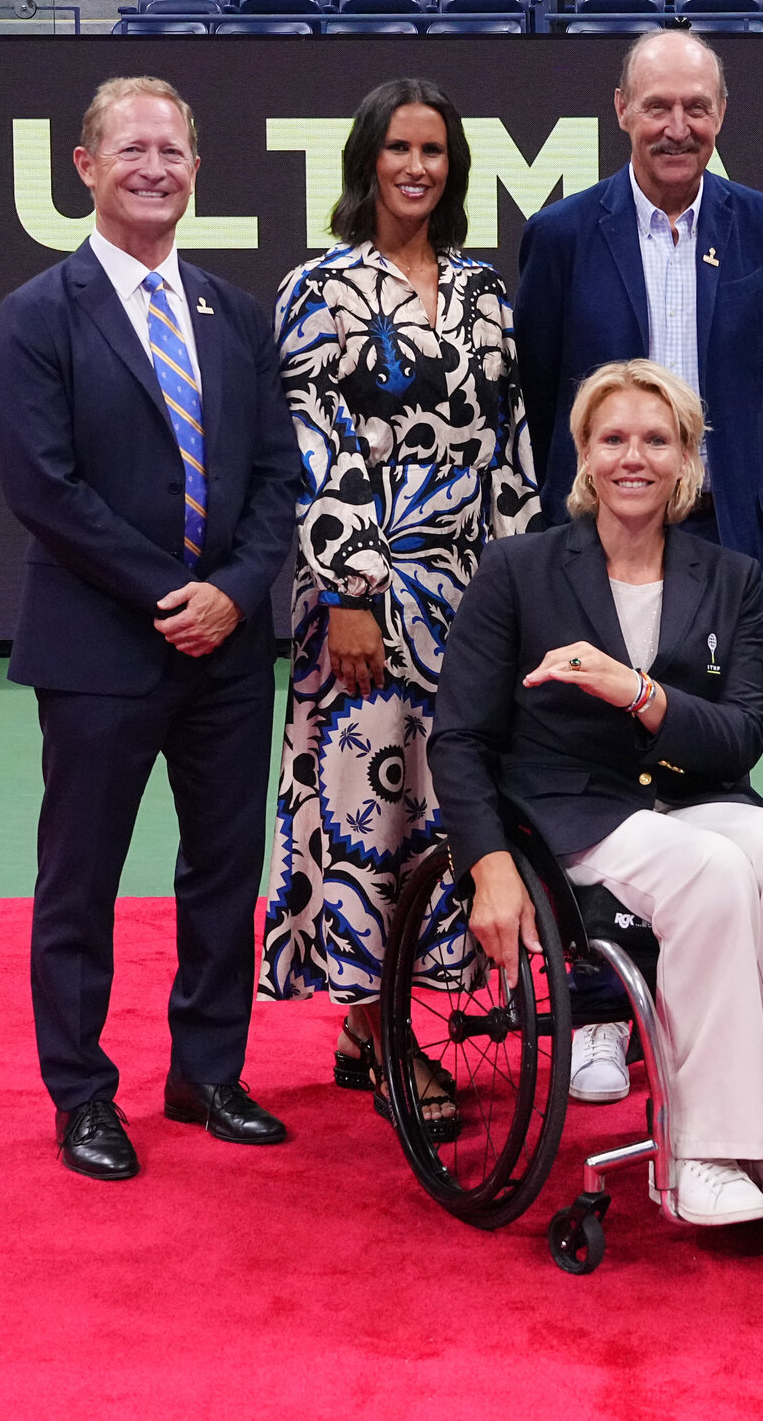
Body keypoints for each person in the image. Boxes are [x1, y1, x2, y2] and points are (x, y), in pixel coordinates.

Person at [0, 78, 304, 1182]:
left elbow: (277, 479)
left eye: (173, 147)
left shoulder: (237, 313)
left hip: (228, 650)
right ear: (85, 165)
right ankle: (81, 1093)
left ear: (197, 168)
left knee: (222, 870)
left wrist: (238, 590)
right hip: (100, 648)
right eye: (131, 148)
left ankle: (206, 1071)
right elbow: (42, 485)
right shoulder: (37, 313)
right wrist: (175, 591)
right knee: (81, 877)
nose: (153, 165)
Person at [431, 359, 763, 1227]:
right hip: (573, 809)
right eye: (612, 438)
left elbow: (741, 737)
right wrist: (488, 863)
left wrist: (636, 691)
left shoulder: (731, 574)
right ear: (583, 451)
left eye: (656, 438)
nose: (633, 457)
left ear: (688, 455)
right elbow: (458, 737)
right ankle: (704, 1148)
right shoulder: (518, 570)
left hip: (694, 792)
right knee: (712, 871)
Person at [258, 78, 538, 1136]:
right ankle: (381, 1034)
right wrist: (347, 592)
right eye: (399, 148)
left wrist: (521, 592)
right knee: (366, 818)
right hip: (364, 609)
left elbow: (507, 451)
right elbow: (311, 449)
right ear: (366, 161)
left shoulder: (485, 290)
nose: (417, 166)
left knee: (444, 811)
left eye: (435, 150)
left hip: (472, 603)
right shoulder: (317, 288)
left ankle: (374, 1019)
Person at [515, 29, 763, 589]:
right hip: (595, 531)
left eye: (696, 107)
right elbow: (540, 390)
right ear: (622, 109)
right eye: (657, 107)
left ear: (721, 113)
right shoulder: (559, 236)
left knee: (719, 679)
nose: (678, 129)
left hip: (727, 530)